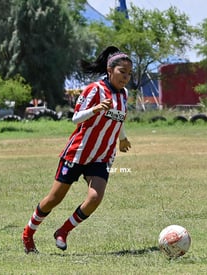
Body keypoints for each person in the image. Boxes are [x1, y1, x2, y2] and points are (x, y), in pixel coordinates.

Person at [22, 46, 133, 254]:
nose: (126, 77)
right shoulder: (94, 89)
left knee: (94, 198)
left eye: (129, 74)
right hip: (78, 153)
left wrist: (123, 138)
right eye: (122, 72)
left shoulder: (124, 95)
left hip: (102, 156)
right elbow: (76, 118)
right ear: (110, 70)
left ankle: (63, 231)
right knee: (54, 199)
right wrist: (96, 109)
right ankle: (28, 233)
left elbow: (119, 117)